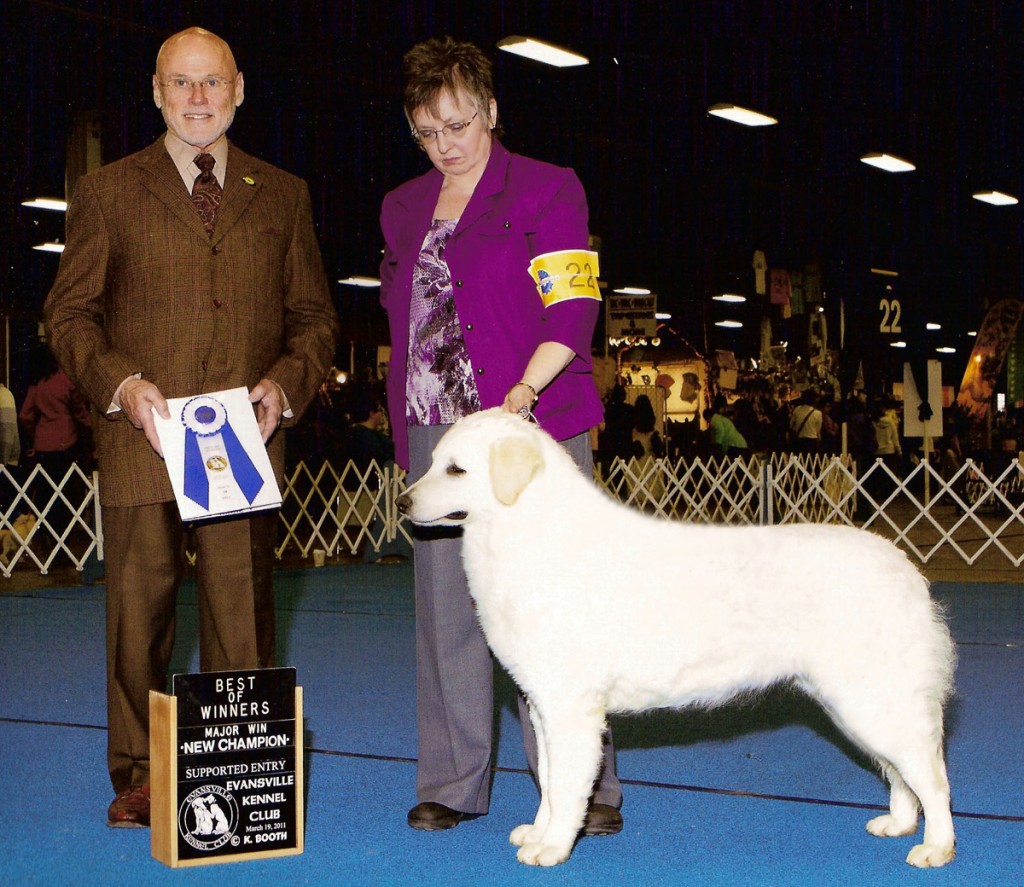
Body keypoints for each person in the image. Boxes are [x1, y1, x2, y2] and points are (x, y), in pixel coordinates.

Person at [44, 27, 339, 828]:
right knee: (136, 622)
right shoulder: (106, 190)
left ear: (239, 88)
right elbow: (67, 313)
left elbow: (315, 318)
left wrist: (285, 384)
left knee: (241, 620)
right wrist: (120, 385)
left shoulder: (283, 193)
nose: (198, 98)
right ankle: (141, 774)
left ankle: (237, 772)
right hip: (142, 438)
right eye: (182, 83)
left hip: (244, 446)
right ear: (156, 91)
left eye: (212, 83)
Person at [379, 36, 621, 835]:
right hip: (436, 425)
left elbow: (573, 307)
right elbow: (408, 321)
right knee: (446, 605)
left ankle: (583, 788)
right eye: (427, 131)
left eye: (458, 124)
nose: (446, 144)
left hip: (532, 423)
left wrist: (525, 388)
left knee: (556, 607)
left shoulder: (550, 188)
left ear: (491, 111)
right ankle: (451, 778)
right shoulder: (403, 206)